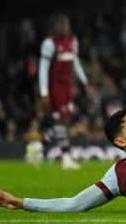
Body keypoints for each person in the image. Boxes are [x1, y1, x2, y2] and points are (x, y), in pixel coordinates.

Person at [38, 14, 88, 170]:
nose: (64, 28)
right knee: (62, 120)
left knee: (64, 121)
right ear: (56, 27)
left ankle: (38, 147)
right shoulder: (49, 43)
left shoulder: (73, 42)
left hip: (67, 87)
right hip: (55, 86)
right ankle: (66, 157)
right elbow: (43, 68)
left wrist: (85, 82)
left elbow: (76, 64)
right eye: (61, 25)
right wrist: (44, 91)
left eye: (66, 25)